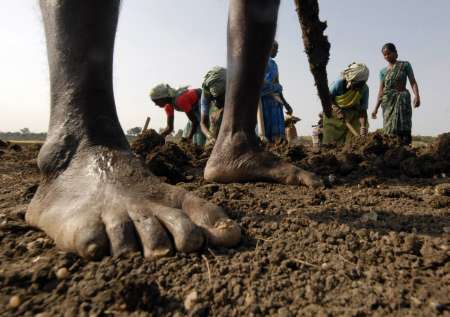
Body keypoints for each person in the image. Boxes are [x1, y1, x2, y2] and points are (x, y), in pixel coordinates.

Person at [27, 0, 321, 260]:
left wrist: (207, 132)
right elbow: (180, 122)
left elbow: (197, 114)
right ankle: (81, 141)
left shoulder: (185, 98)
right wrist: (180, 135)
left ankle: (236, 141)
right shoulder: (173, 105)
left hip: (203, 108)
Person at [371, 43, 421, 145]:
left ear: (395, 52)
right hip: (388, 103)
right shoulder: (383, 72)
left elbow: (413, 81)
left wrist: (417, 95)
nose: (387, 56)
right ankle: (391, 150)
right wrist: (375, 108)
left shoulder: (405, 65)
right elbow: (381, 91)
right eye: (384, 55)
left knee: (404, 127)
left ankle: (405, 149)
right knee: (389, 130)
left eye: (389, 53)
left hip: (403, 100)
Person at [322, 63, 370, 145]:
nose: (359, 87)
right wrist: (337, 111)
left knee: (354, 140)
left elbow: (363, 110)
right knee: (331, 138)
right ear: (351, 79)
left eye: (361, 84)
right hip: (335, 112)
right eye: (357, 84)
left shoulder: (365, 89)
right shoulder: (339, 83)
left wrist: (363, 127)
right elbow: (328, 98)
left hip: (354, 114)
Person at [259, 40, 293, 142]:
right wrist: (273, 87)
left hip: (276, 102)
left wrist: (285, 103)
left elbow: (277, 83)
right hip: (264, 101)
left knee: (276, 135)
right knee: (264, 129)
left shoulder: (274, 65)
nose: (277, 52)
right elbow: (259, 82)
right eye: (275, 49)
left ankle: (277, 148)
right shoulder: (261, 62)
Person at [199, 66, 226, 145]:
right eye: (216, 98)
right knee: (214, 118)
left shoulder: (234, 85)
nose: (218, 101)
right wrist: (209, 136)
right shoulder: (206, 93)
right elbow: (202, 123)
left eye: (221, 97)